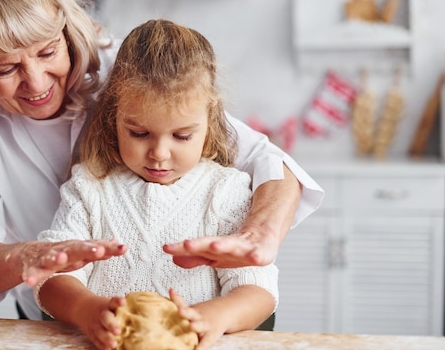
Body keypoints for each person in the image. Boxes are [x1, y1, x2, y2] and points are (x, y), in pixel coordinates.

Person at [0, 0, 323, 320]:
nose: (35, 82)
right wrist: (30, 258)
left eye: (47, 52)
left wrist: (258, 236)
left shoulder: (126, 72)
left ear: (66, 31)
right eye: (4, 69)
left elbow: (264, 159)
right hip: (53, 313)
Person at [36, 19, 278, 350]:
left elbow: (258, 290)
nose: (159, 154)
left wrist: (214, 317)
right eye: (139, 133)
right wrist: (85, 309)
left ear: (209, 121)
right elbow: (52, 276)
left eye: (182, 136)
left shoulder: (225, 192)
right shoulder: (90, 188)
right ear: (114, 117)